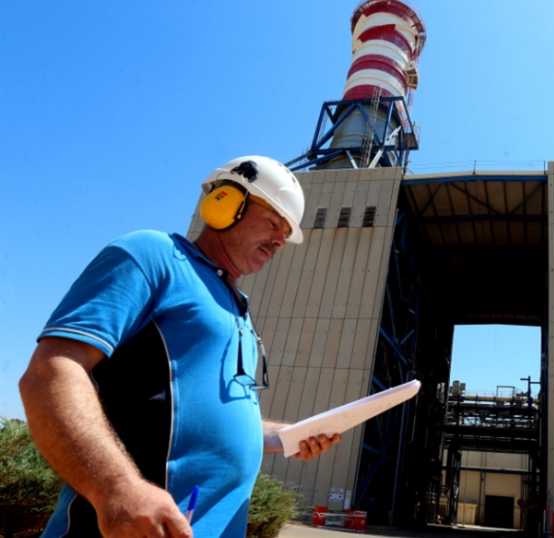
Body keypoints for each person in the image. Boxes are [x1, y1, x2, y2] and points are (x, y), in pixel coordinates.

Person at [19, 155, 340, 537]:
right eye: (273, 223)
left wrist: (287, 437)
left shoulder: (239, 311)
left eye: (285, 234)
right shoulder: (153, 256)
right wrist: (116, 488)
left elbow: (198, 417)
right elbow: (50, 372)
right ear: (226, 203)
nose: (278, 241)